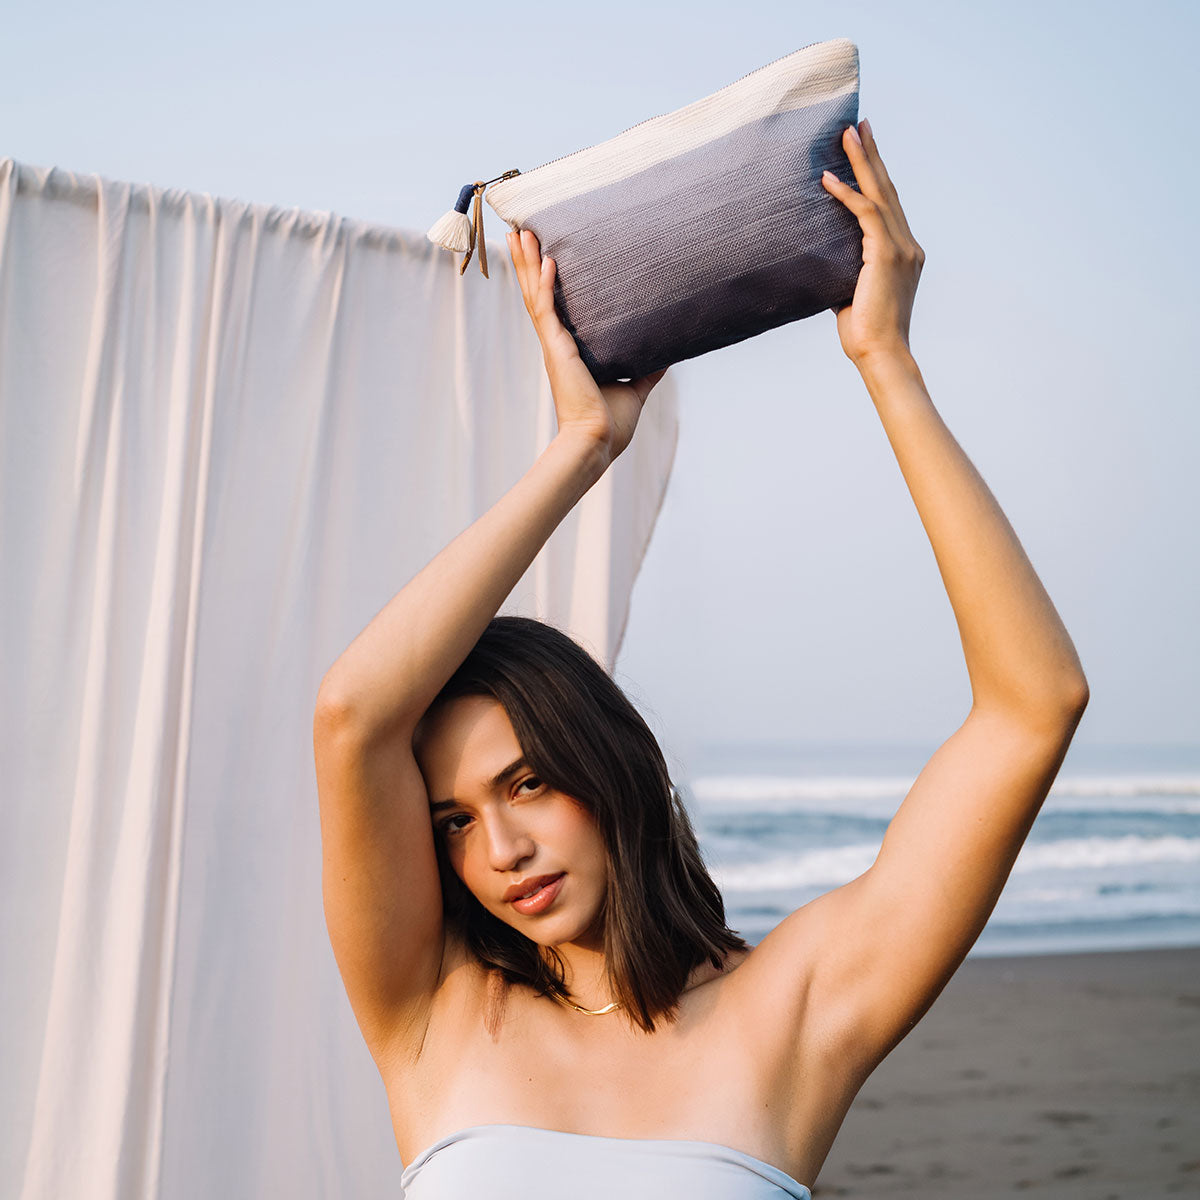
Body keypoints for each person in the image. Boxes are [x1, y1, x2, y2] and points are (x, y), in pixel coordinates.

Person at [312, 119, 1089, 1198]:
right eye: (452, 822)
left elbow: (1033, 708)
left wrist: (885, 362)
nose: (499, 850)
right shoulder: (433, 1011)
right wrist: (583, 449)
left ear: (609, 765)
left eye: (525, 783)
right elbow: (354, 717)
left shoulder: (799, 1006)